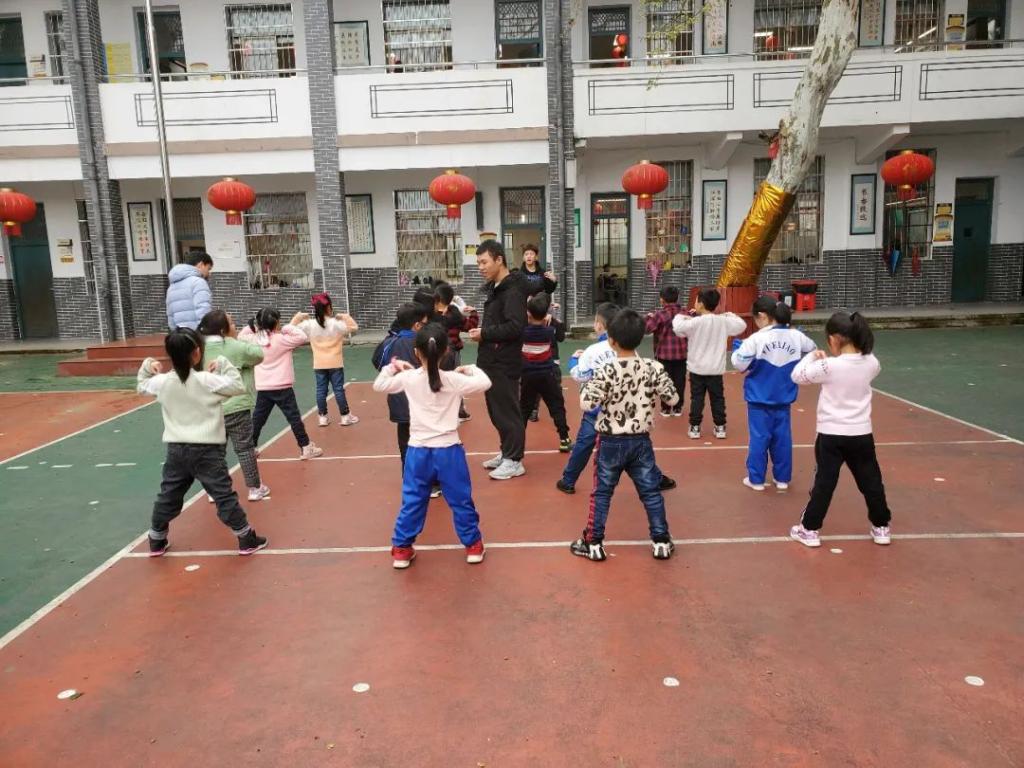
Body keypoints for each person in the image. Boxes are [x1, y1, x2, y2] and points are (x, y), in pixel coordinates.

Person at [138, 328, 268, 556]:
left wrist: (148, 365)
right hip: (208, 451)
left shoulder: (162, 382)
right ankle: (245, 537)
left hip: (176, 450)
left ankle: (156, 538)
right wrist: (223, 363)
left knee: (168, 495)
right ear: (197, 353)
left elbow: (142, 385)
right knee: (223, 495)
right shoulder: (206, 380)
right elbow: (237, 385)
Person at [373, 324, 492, 569]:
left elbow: (380, 385)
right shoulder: (454, 380)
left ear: (417, 353)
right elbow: (485, 382)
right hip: (449, 450)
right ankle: (473, 546)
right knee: (460, 499)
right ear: (446, 351)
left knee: (413, 500)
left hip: (418, 451)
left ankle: (402, 549)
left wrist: (393, 366)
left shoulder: (408, 378)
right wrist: (470, 368)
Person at [569, 309, 679, 562]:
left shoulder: (606, 370)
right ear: (641, 338)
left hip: (610, 441)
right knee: (650, 492)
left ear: (611, 340)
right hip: (641, 441)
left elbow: (587, 403)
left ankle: (593, 543)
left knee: (602, 493)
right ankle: (661, 541)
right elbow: (672, 398)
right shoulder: (653, 367)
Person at [788, 312, 892, 548]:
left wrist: (811, 356)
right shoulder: (871, 363)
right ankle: (881, 526)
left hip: (831, 434)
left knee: (824, 482)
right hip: (861, 433)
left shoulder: (829, 366)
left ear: (834, 339)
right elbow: (869, 363)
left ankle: (809, 529)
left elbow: (797, 376)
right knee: (871, 481)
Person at [558, 302, 677, 495]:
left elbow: (580, 375)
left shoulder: (592, 351)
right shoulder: (631, 350)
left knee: (584, 445)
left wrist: (574, 359)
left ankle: (568, 480)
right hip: (624, 409)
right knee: (637, 449)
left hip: (595, 410)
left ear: (600, 325)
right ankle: (656, 478)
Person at [730, 297, 816, 493]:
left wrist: (738, 352)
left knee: (759, 439)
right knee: (782, 439)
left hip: (759, 399)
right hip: (784, 397)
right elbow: (812, 350)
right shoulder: (796, 336)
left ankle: (756, 480)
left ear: (762, 316)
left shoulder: (756, 338)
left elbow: (739, 364)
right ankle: (782, 479)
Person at [468, 240, 527, 481]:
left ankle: (514, 460)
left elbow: (515, 327)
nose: (480, 267)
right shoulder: (497, 288)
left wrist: (485, 333)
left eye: (484, 262)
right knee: (496, 411)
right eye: (478, 263)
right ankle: (506, 453)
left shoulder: (513, 291)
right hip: (491, 361)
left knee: (507, 412)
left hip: (504, 362)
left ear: (499, 260)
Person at [198, 310, 271, 502]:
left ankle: (214, 491)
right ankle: (254, 488)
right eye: (231, 322)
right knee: (245, 449)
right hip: (237, 406)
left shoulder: (200, 348)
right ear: (223, 330)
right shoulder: (234, 346)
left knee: (215, 452)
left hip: (211, 408)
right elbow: (258, 354)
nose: (235, 325)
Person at [238, 308, 323, 460]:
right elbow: (302, 336)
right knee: (294, 418)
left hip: (264, 388)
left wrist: (254, 327)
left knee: (258, 419)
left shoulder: (254, 339)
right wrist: (289, 326)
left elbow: (241, 336)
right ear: (277, 323)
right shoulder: (282, 339)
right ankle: (305, 447)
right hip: (283, 387)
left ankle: (250, 449)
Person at [672, 288, 746, 440]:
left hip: (697, 369)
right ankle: (720, 427)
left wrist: (682, 316)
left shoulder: (694, 322)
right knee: (717, 398)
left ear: (700, 304)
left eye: (696, 301)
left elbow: (677, 328)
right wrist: (728, 314)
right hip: (715, 370)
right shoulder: (723, 321)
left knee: (697, 399)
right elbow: (741, 325)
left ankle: (695, 427)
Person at [295, 293, 360, 428]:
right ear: (329, 307)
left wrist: (299, 317)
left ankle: (322, 417)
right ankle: (345, 416)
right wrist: (344, 316)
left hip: (319, 364)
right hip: (335, 362)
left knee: (321, 390)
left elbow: (289, 328)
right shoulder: (336, 324)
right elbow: (354, 327)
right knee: (338, 390)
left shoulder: (309, 324)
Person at [378, 302, 429, 471]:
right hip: (423, 403)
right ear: (417, 325)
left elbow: (378, 362)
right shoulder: (425, 342)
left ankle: (409, 476)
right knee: (428, 442)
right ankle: (431, 478)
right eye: (424, 323)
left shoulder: (389, 343)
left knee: (405, 442)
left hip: (400, 403)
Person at [520, 293, 572, 452]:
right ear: (545, 315)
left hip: (528, 375)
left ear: (528, 314)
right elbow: (560, 331)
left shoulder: (523, 331)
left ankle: (517, 443)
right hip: (547, 374)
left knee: (524, 409)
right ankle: (564, 439)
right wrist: (553, 317)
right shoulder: (549, 331)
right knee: (556, 406)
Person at [645, 285, 690, 418]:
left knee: (664, 381)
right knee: (680, 381)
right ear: (677, 298)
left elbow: (647, 329)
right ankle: (677, 407)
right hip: (682, 353)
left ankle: (665, 408)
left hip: (664, 354)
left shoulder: (659, 315)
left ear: (662, 299)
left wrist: (648, 318)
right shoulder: (685, 313)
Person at [434, 282, 476, 422]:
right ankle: (459, 411)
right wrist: (473, 312)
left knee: (437, 380)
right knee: (454, 380)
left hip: (436, 353)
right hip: (453, 352)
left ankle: (441, 412)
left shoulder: (431, 315)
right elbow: (470, 326)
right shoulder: (455, 314)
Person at [165, 252, 213, 331]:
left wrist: (175, 332)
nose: (209, 273)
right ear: (201, 264)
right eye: (208, 268)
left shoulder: (172, 286)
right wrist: (205, 331)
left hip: (179, 334)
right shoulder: (198, 282)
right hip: (196, 333)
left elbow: (170, 315)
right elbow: (203, 310)